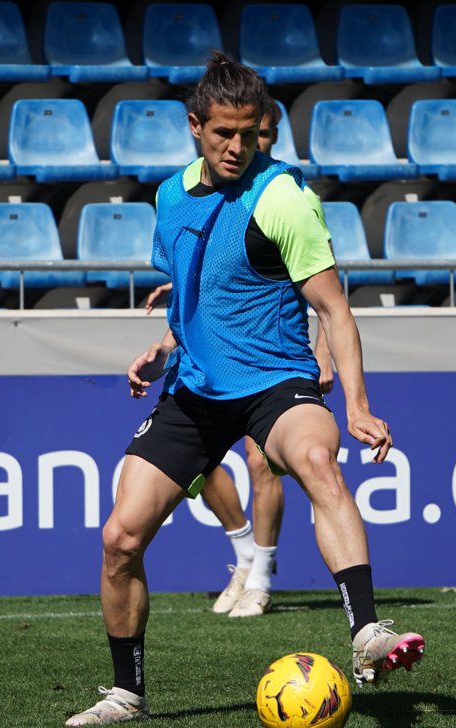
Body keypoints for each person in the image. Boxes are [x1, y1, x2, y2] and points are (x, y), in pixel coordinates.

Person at [66, 53, 424, 727]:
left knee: (318, 461)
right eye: (224, 133)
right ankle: (127, 695)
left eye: (251, 134)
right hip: (198, 391)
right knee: (119, 537)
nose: (238, 147)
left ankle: (368, 634)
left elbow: (335, 309)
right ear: (195, 126)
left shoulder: (283, 196)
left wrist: (357, 404)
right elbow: (201, 287)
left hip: (276, 382)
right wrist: (166, 343)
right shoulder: (171, 197)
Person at [142, 98, 335, 619]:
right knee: (198, 471)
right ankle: (244, 551)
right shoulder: (194, 193)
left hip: (267, 357)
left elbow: (327, 289)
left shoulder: (284, 194)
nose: (252, 144)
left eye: (263, 134)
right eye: (248, 133)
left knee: (260, 461)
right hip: (205, 360)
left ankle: (263, 575)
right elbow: (208, 280)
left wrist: (324, 353)